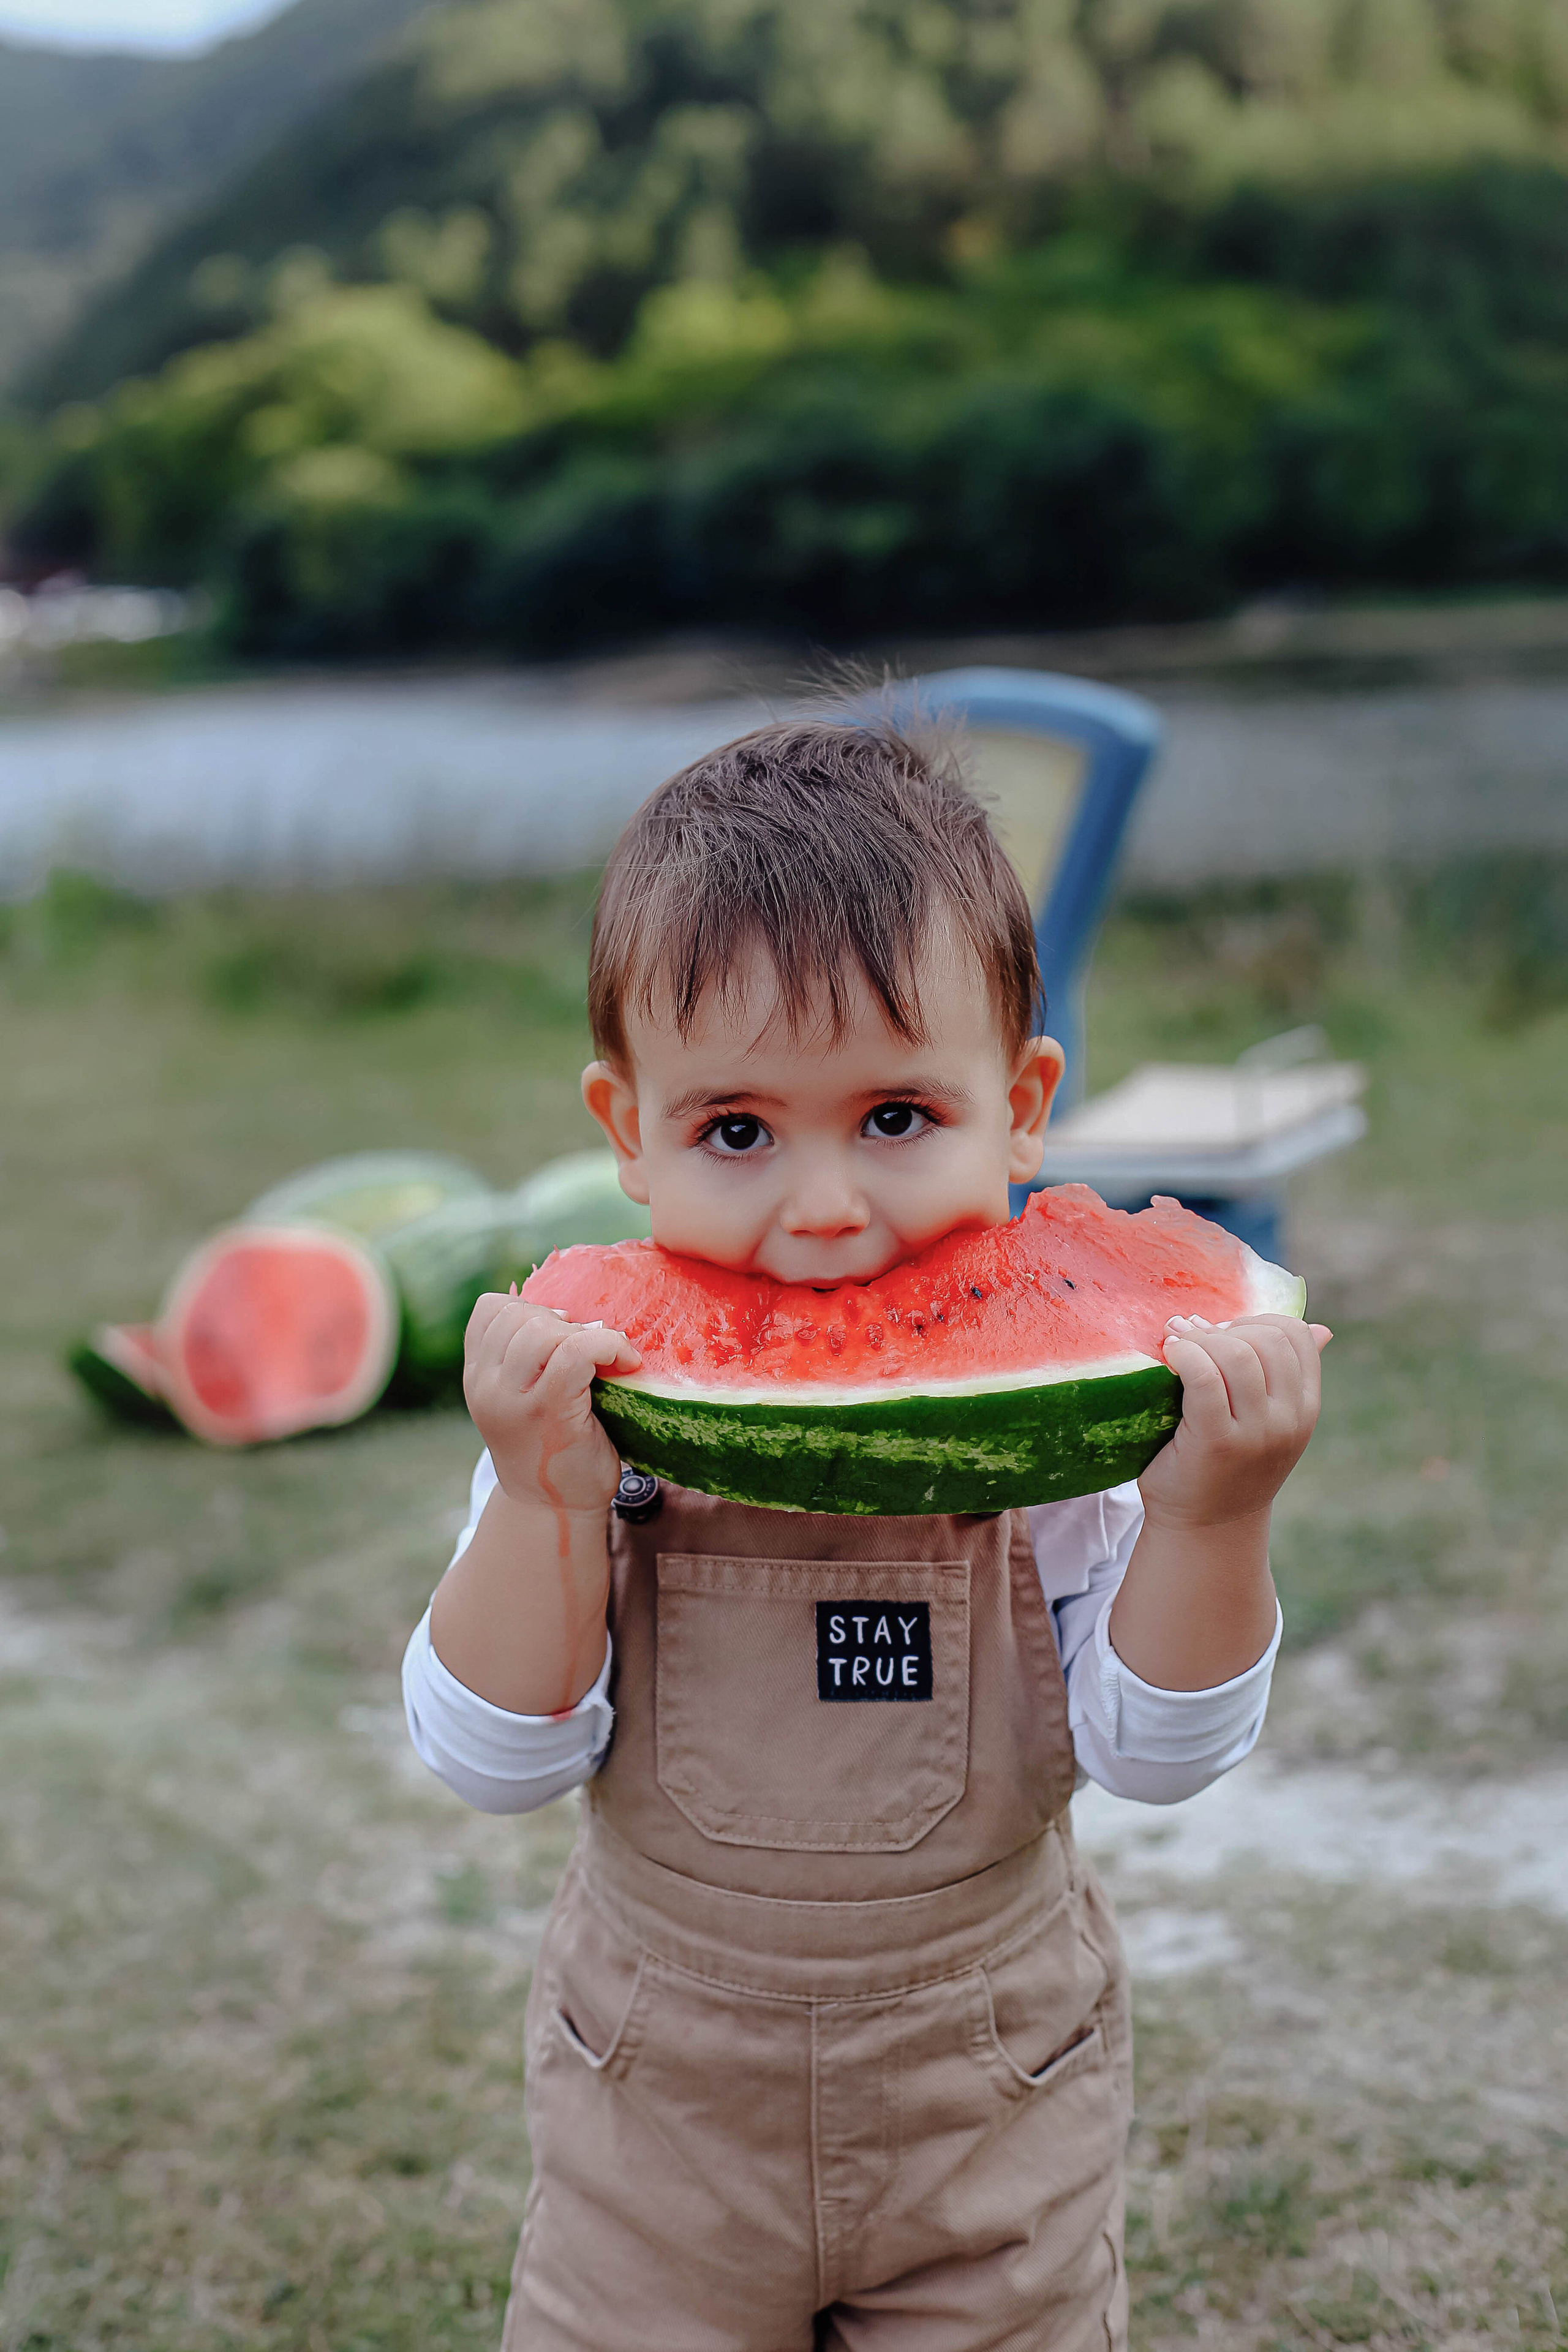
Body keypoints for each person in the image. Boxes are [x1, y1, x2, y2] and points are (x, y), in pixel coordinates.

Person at [402, 713, 1329, 2350]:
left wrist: (1214, 1520)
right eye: (737, 1132)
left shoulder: (1057, 1463)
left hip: (990, 2118)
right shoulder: (594, 1432)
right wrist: (542, 1503)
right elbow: (493, 1760)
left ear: (1022, 1108)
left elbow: (1156, 1756)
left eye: (897, 1116)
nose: (825, 1208)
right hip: (658, 2136)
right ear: (627, 1133)